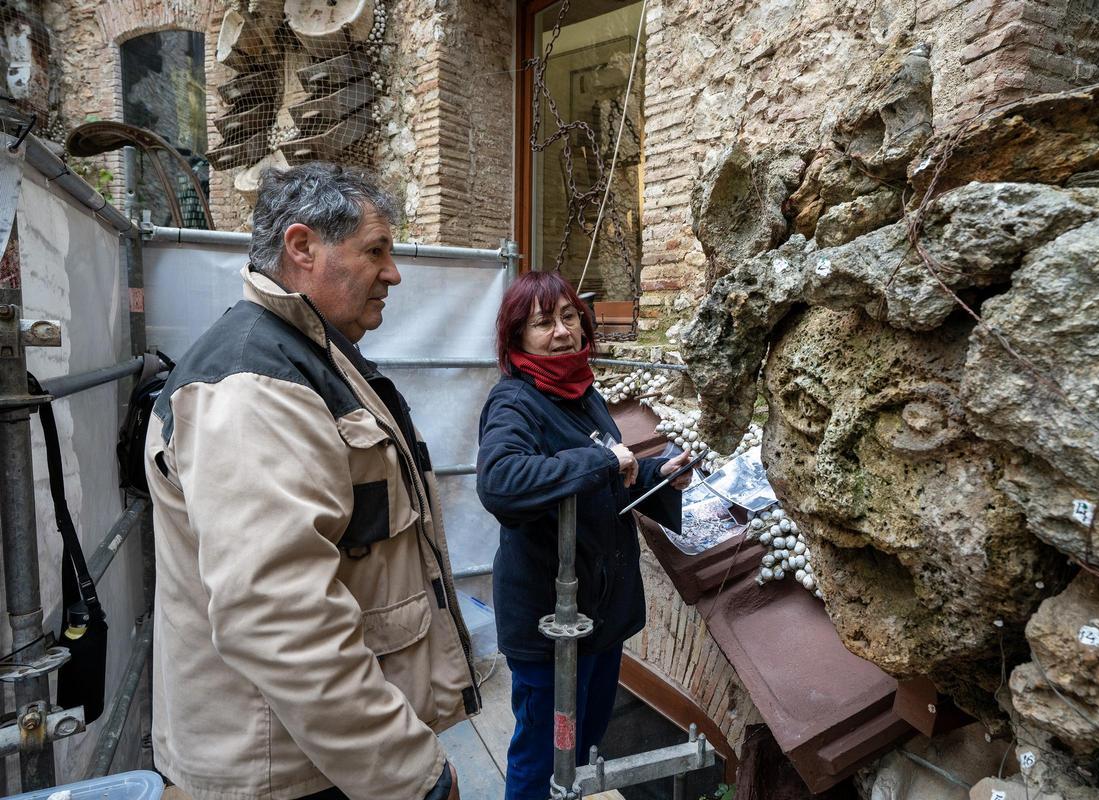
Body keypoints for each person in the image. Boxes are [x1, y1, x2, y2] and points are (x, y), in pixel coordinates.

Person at [144, 163, 477, 800]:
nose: (393, 273)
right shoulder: (251, 385)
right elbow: (279, 616)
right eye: (375, 251)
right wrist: (408, 773)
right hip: (282, 768)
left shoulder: (303, 354)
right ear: (302, 248)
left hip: (313, 755)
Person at [475, 271, 694, 799]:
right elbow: (502, 482)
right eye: (543, 323)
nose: (561, 332)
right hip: (550, 620)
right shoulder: (514, 403)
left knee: (585, 741)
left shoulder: (583, 390)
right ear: (516, 338)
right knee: (544, 751)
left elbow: (606, 481)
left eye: (569, 316)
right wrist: (598, 459)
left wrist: (656, 476)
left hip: (600, 613)